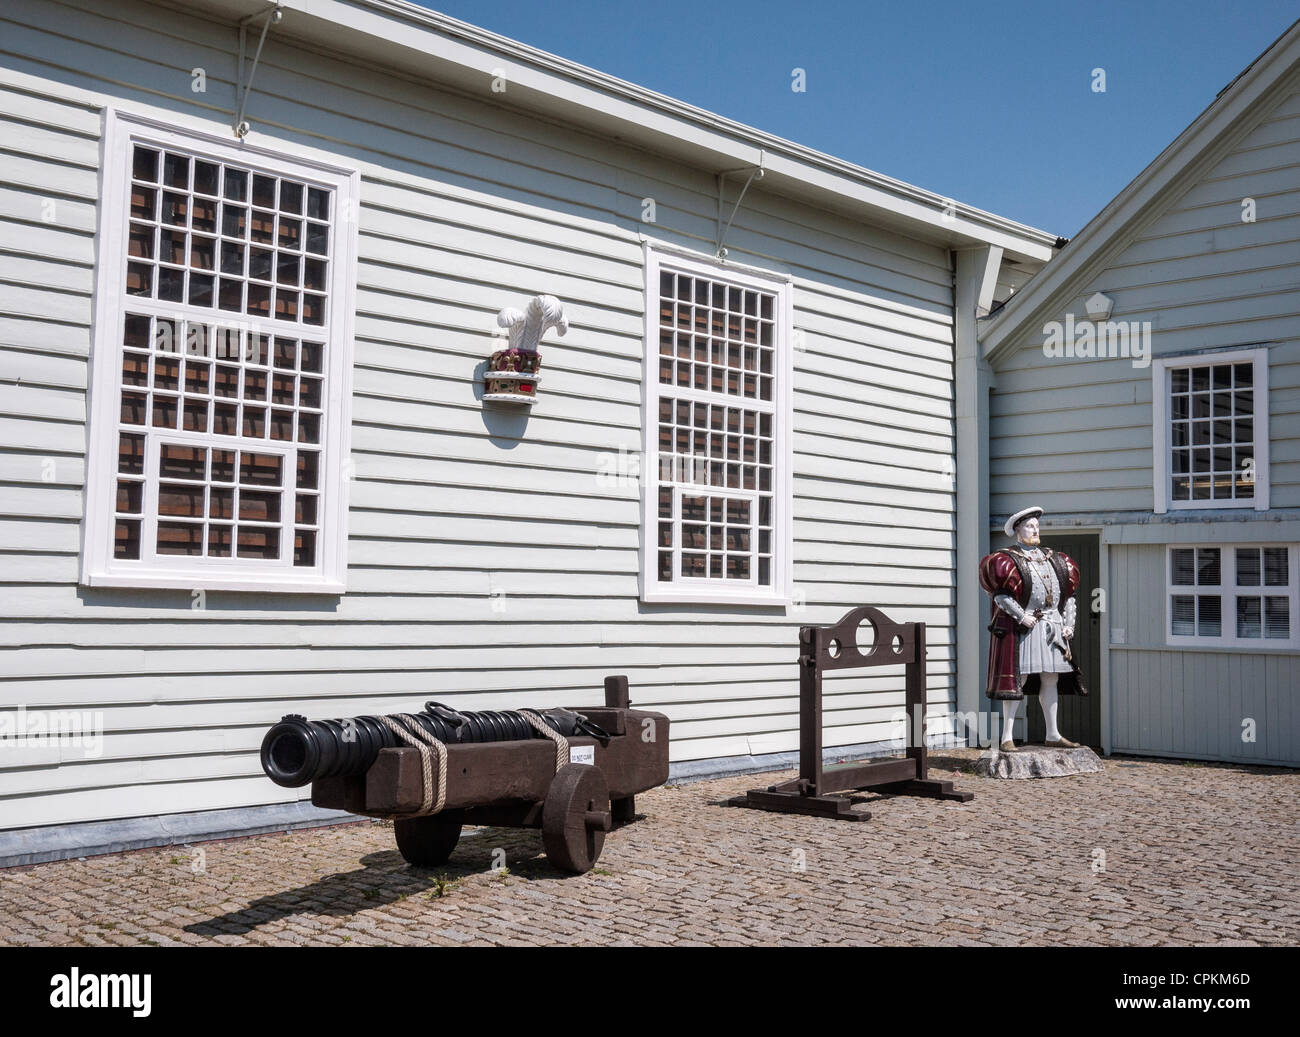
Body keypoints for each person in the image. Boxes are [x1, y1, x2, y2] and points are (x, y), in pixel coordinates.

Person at [978, 505, 1088, 752]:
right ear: (1017, 530)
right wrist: (1021, 616)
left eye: (1037, 526)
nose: (1035, 530)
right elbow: (1001, 597)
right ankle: (1007, 736)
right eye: (1029, 526)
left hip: (1053, 626)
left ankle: (1053, 733)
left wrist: (1068, 625)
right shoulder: (1008, 560)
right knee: (1019, 679)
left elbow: (1068, 597)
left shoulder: (1055, 560)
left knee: (1051, 678)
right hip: (1027, 629)